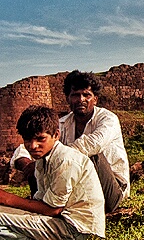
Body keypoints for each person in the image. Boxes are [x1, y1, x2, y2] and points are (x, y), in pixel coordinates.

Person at [0, 105, 105, 240]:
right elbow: (40, 202)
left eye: (40, 139)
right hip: (61, 224)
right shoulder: (43, 161)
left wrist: (5, 198)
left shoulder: (65, 160)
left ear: (56, 135)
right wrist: (0, 200)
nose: (33, 146)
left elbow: (53, 209)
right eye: (27, 140)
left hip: (72, 231)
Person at [11, 70, 130, 213]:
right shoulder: (62, 124)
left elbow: (92, 145)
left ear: (95, 99)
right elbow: (27, 147)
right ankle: (42, 207)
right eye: (75, 95)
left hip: (111, 189)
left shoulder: (108, 119)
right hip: (81, 189)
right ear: (68, 98)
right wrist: (27, 163)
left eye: (86, 95)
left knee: (91, 156)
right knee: (41, 159)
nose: (81, 100)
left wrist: (53, 156)